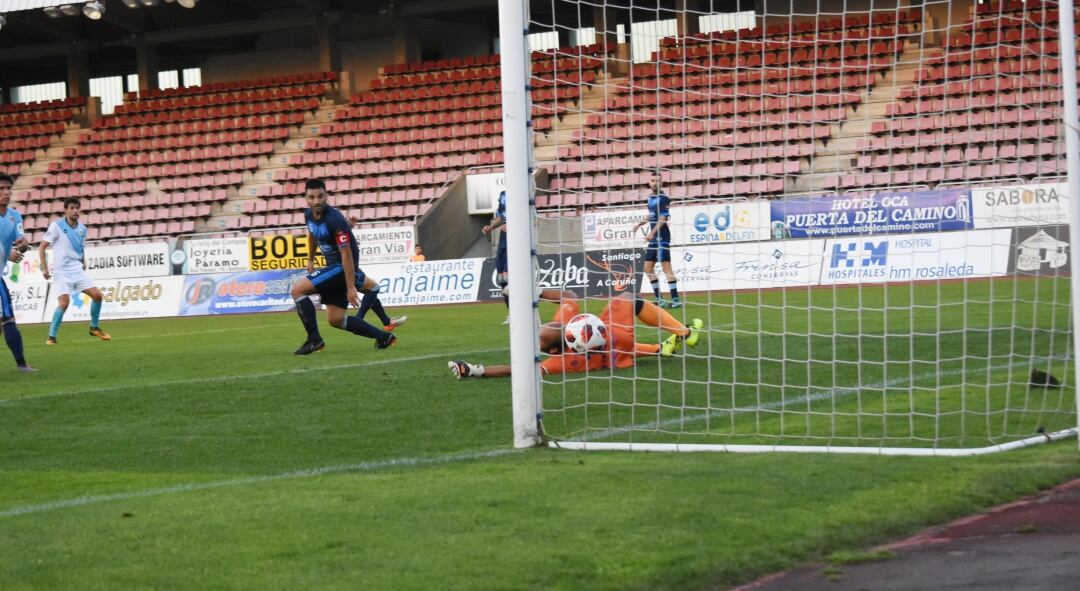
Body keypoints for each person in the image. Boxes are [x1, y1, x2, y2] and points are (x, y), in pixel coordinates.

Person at [448, 289, 703, 378]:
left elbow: (516, 370)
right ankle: (683, 332)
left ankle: (660, 348)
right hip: (615, 337)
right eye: (543, 334)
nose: (551, 324)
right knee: (628, 299)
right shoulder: (566, 334)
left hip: (616, 358)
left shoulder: (559, 357)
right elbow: (568, 296)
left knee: (617, 348)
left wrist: (475, 370)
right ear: (555, 347)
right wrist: (533, 292)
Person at [290, 179, 399, 355]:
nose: (316, 201)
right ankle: (384, 337)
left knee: (297, 290)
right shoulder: (309, 215)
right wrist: (310, 259)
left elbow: (346, 254)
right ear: (306, 198)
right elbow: (312, 235)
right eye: (311, 197)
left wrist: (350, 287)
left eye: (320, 196)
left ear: (326, 195)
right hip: (335, 268)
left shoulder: (334, 219)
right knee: (336, 319)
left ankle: (314, 341)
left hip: (341, 267)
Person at [39, 197, 111, 345]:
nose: (75, 211)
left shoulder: (82, 229)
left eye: (77, 208)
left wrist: (83, 260)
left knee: (97, 295)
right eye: (71, 208)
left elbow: (80, 247)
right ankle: (51, 337)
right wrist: (44, 267)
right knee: (64, 303)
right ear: (65, 210)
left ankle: (94, 327)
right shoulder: (56, 226)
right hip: (60, 271)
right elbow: (42, 247)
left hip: (77, 270)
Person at [0, 173, 36, 372]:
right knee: (7, 317)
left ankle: (22, 364)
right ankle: (22, 365)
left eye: (8, 189)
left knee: (4, 320)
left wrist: (23, 245)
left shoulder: (14, 216)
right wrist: (8, 254)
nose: (6, 193)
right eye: (1, 189)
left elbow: (21, 241)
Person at [632, 173, 681, 308]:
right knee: (647, 268)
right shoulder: (650, 198)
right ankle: (660, 299)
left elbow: (663, 219)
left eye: (658, 181)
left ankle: (676, 299)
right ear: (649, 183)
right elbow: (652, 215)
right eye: (653, 180)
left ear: (661, 183)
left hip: (662, 238)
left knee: (666, 267)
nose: (655, 183)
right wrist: (639, 224)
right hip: (653, 239)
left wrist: (651, 233)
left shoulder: (664, 198)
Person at [482, 190, 509, 317]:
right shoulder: (503, 194)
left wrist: (512, 225)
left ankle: (519, 312)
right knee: (501, 278)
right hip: (503, 239)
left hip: (517, 239)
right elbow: (501, 216)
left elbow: (527, 213)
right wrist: (491, 227)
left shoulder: (522, 190)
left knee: (509, 276)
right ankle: (511, 313)